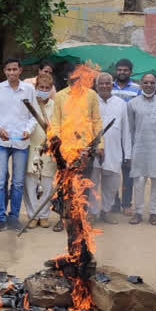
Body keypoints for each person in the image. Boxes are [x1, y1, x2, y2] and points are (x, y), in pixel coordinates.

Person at [50, 63, 103, 232]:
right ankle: (63, 219)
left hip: (85, 149)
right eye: (72, 76)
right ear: (68, 78)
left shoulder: (91, 95)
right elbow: (56, 121)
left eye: (79, 76)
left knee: (83, 185)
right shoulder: (59, 96)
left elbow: (96, 121)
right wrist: (56, 143)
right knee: (64, 186)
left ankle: (81, 219)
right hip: (65, 150)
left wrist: (100, 144)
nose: (76, 79)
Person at [0, 58, 37, 234]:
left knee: (17, 182)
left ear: (20, 71)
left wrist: (28, 130)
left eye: (14, 69)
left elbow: (34, 116)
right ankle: (0, 218)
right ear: (5, 71)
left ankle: (14, 217)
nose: (11, 73)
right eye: (8, 69)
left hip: (21, 142)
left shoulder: (29, 90)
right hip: (2, 141)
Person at [128, 73, 156, 226]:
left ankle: (154, 213)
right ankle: (138, 212)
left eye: (152, 83)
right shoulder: (133, 103)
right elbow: (131, 130)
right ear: (141, 84)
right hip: (139, 147)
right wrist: (130, 150)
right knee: (139, 181)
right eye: (146, 83)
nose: (149, 85)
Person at [90, 72, 130, 225]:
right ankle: (92, 212)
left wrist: (127, 153)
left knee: (112, 184)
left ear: (112, 85)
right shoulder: (91, 101)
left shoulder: (121, 104)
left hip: (114, 151)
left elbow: (126, 130)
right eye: (102, 83)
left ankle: (105, 211)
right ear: (96, 85)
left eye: (108, 83)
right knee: (93, 183)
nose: (105, 86)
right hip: (94, 151)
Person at [23, 74, 57, 228]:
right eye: (41, 88)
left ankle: (43, 215)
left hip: (48, 151)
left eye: (46, 88)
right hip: (31, 149)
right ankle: (32, 215)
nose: (43, 91)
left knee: (46, 183)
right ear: (35, 88)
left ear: (51, 90)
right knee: (30, 183)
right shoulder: (29, 105)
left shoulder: (55, 107)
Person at [111, 58, 141, 215]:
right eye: (120, 70)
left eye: (125, 70)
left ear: (130, 71)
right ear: (116, 70)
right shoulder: (108, 86)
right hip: (113, 136)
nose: (122, 72)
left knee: (128, 171)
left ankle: (126, 204)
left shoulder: (137, 89)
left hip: (130, 136)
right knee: (113, 170)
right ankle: (114, 202)